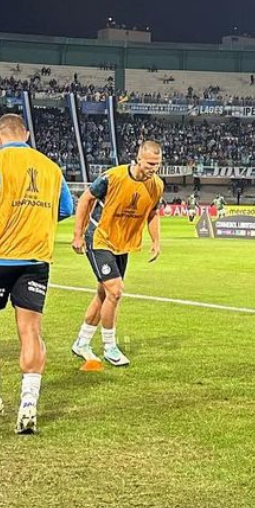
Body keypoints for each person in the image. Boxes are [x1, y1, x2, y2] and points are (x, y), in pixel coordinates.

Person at [0, 114, 74, 434]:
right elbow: (66, 209)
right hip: (37, 258)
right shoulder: (52, 167)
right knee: (30, 330)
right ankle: (28, 403)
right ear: (26, 134)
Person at [70, 141, 165, 367]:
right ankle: (110, 346)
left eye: (158, 164)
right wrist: (78, 234)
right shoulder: (112, 177)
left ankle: (82, 342)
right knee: (115, 290)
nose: (153, 168)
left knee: (104, 294)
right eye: (150, 163)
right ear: (138, 158)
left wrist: (156, 241)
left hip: (123, 244)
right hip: (100, 237)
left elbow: (152, 213)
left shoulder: (157, 186)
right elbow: (86, 199)